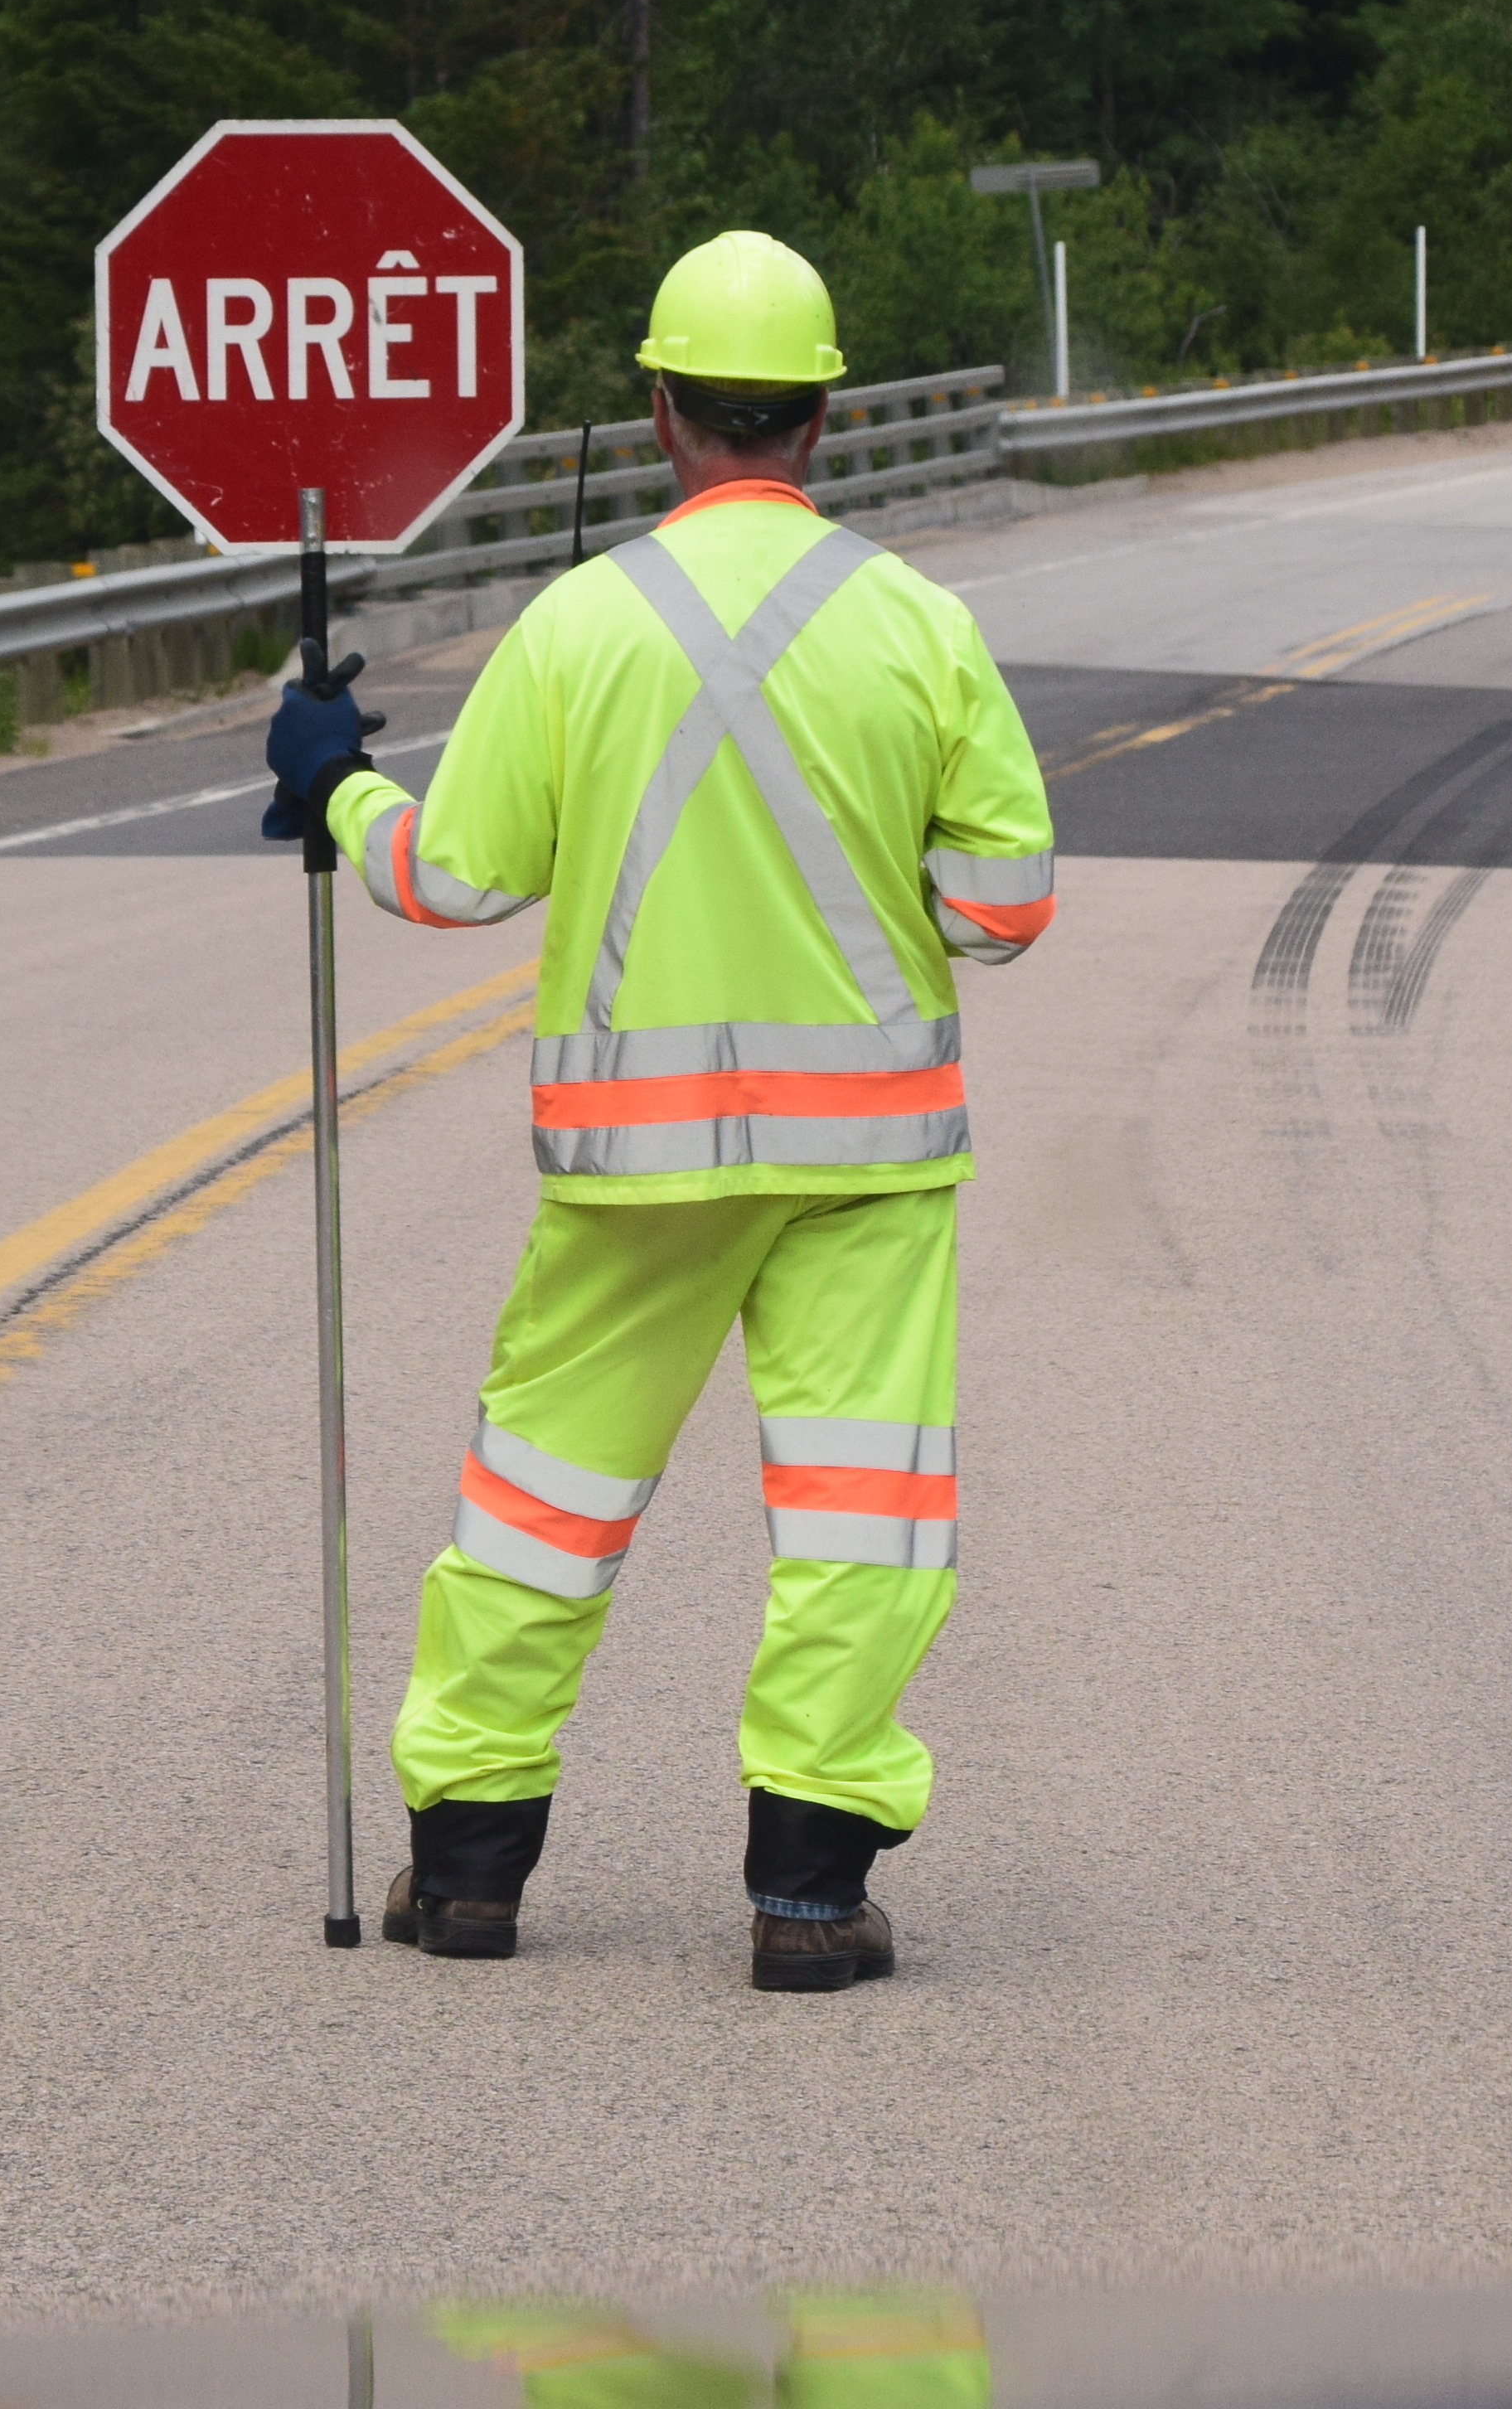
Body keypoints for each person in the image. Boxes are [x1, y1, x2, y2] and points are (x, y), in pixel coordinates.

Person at [262, 231, 1054, 1991]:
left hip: (636, 1170)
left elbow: (457, 880)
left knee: (540, 1504)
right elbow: (1005, 906)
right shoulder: (921, 624)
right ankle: (808, 1896)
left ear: (659, 412)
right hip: (866, 1166)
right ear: (825, 418)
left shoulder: (578, 623)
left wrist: (340, 788)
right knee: (858, 1517)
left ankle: (469, 1870)